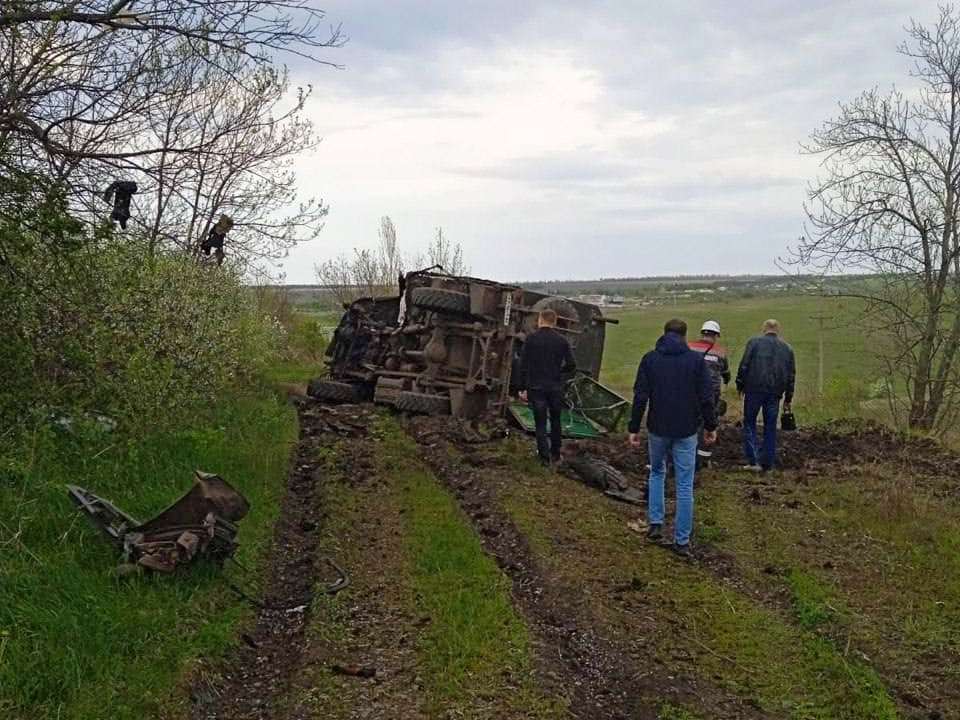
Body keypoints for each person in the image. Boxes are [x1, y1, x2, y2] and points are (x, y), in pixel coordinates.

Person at [628, 318, 717, 558]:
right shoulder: (696, 362)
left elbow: (640, 397)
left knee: (657, 472)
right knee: (685, 485)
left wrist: (634, 428)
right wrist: (711, 426)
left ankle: (655, 524)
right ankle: (681, 541)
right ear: (685, 336)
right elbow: (707, 399)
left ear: (664, 333)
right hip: (687, 430)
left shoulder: (650, 360)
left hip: (657, 428)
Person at [736, 319, 796, 473]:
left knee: (749, 423)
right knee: (770, 426)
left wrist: (740, 384)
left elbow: (744, 365)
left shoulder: (754, 343)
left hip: (754, 389)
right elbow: (791, 376)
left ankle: (753, 460)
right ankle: (767, 463)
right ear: (778, 330)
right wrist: (788, 398)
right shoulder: (787, 349)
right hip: (775, 393)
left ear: (764, 329)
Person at [518, 308, 577, 466]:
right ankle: (556, 454)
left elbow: (523, 365)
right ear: (555, 322)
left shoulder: (531, 339)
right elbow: (572, 365)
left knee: (540, 423)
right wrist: (559, 372)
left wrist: (523, 388)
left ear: (540, 320)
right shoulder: (562, 341)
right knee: (556, 420)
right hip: (555, 387)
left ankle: (544, 458)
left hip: (536, 387)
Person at [688, 320, 731, 469]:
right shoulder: (720, 352)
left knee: (689, 422)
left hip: (691, 392)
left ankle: (686, 454)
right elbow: (725, 373)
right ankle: (703, 459)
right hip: (711, 395)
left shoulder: (690, 347)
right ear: (716, 335)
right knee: (707, 424)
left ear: (702, 333)